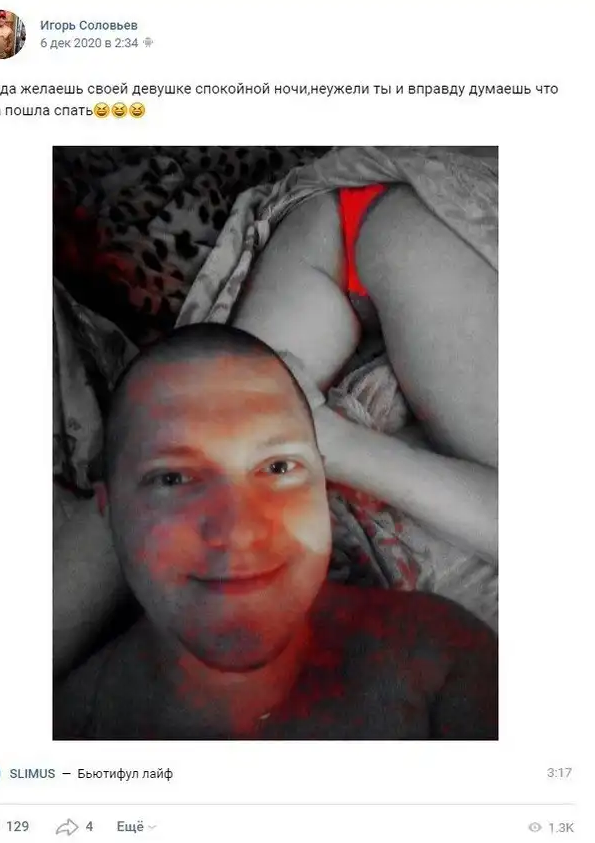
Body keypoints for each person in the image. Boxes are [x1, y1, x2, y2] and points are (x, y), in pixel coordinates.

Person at [54, 324, 497, 740]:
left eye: (279, 467)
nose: (240, 531)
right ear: (108, 510)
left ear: (323, 483)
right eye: (173, 478)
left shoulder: (436, 659)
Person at [233, 182, 498, 565]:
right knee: (234, 427)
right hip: (370, 229)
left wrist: (332, 441)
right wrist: (332, 440)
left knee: (238, 435)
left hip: (362, 224)